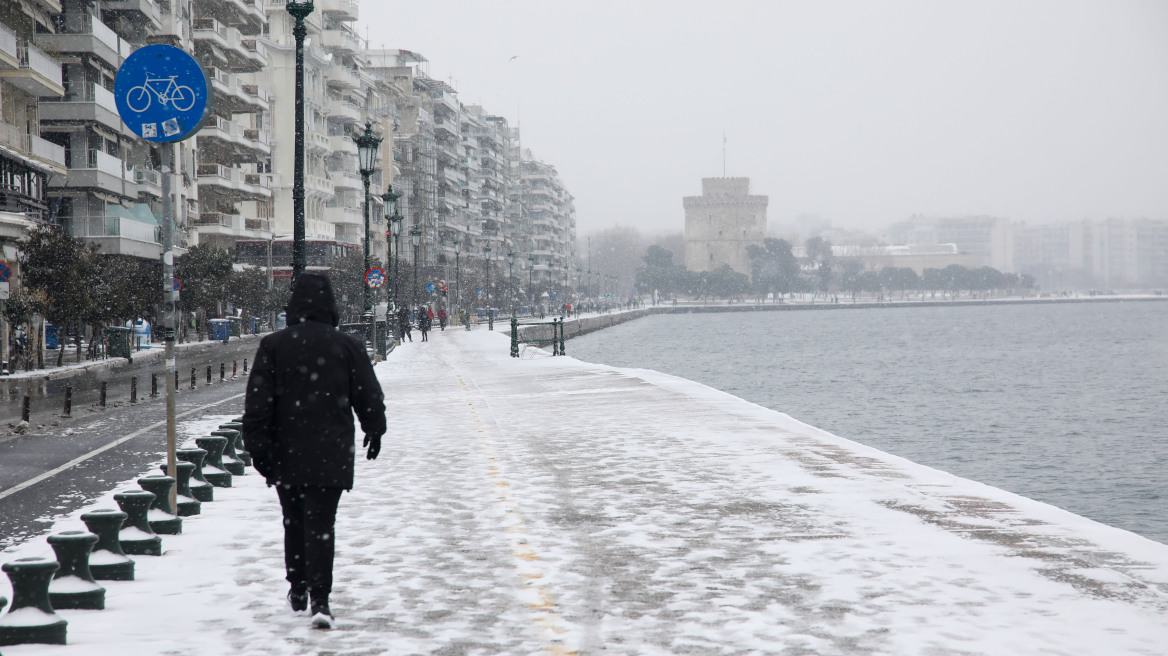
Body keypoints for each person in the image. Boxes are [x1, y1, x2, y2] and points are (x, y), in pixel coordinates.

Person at [242, 273, 386, 630]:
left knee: (293, 521)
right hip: (330, 451)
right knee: (321, 524)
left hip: (285, 451)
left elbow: (257, 404)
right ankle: (320, 598)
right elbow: (368, 394)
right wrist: (374, 429)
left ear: (294, 306)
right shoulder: (347, 346)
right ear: (331, 306)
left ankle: (297, 586)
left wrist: (258, 448)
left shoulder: (274, 346)